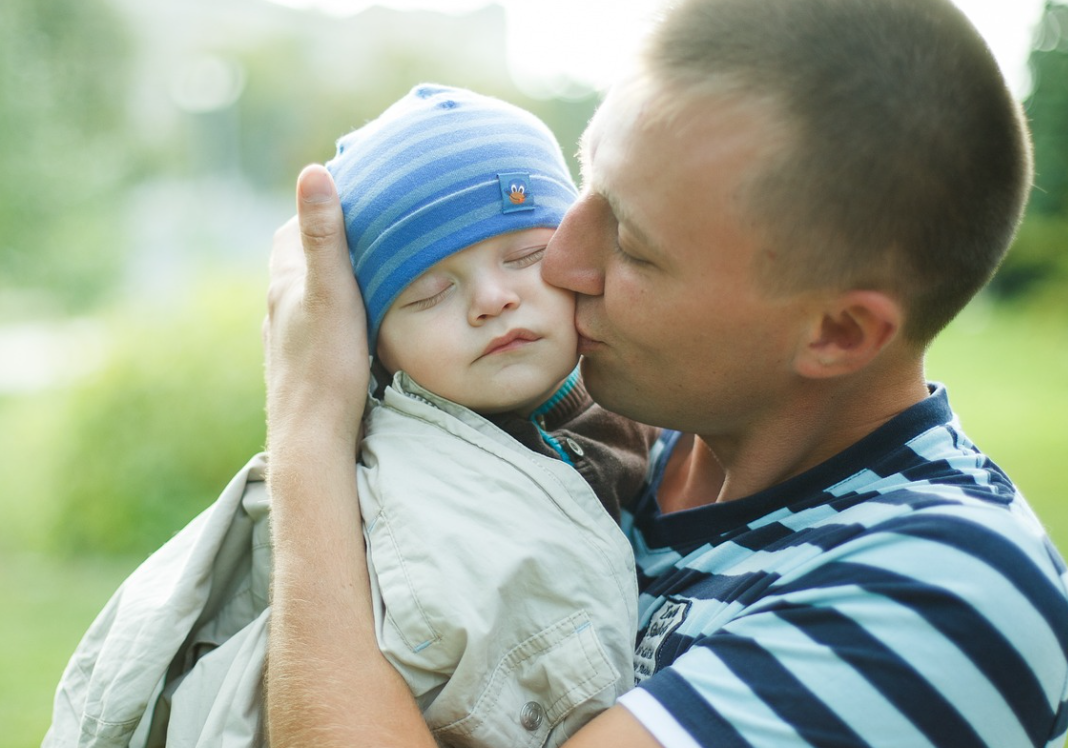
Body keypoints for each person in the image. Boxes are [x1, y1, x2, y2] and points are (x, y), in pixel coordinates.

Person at [263, 1, 1068, 747]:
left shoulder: (943, 592)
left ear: (837, 332)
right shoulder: (613, 446)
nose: (566, 263)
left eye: (634, 245)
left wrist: (308, 419)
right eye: (587, 190)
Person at [43, 86, 656, 748]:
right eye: (428, 292)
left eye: (526, 256)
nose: (492, 298)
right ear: (371, 348)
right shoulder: (390, 495)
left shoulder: (647, 404)